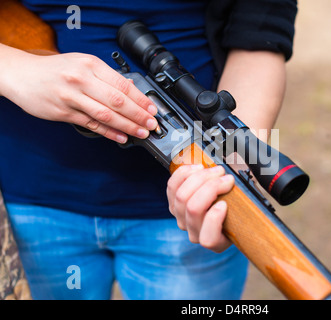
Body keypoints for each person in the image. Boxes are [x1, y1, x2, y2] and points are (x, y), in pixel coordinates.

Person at [0, 0, 298, 299]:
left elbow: (260, 32)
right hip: (23, 200)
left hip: (187, 213)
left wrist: (234, 175)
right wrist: (17, 70)